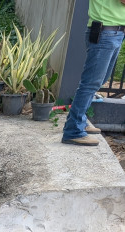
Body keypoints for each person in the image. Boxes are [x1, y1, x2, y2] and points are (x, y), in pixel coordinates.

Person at [62, 0, 125, 146]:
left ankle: (79, 121)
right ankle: (73, 131)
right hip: (106, 32)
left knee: (98, 81)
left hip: (114, 32)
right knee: (90, 83)